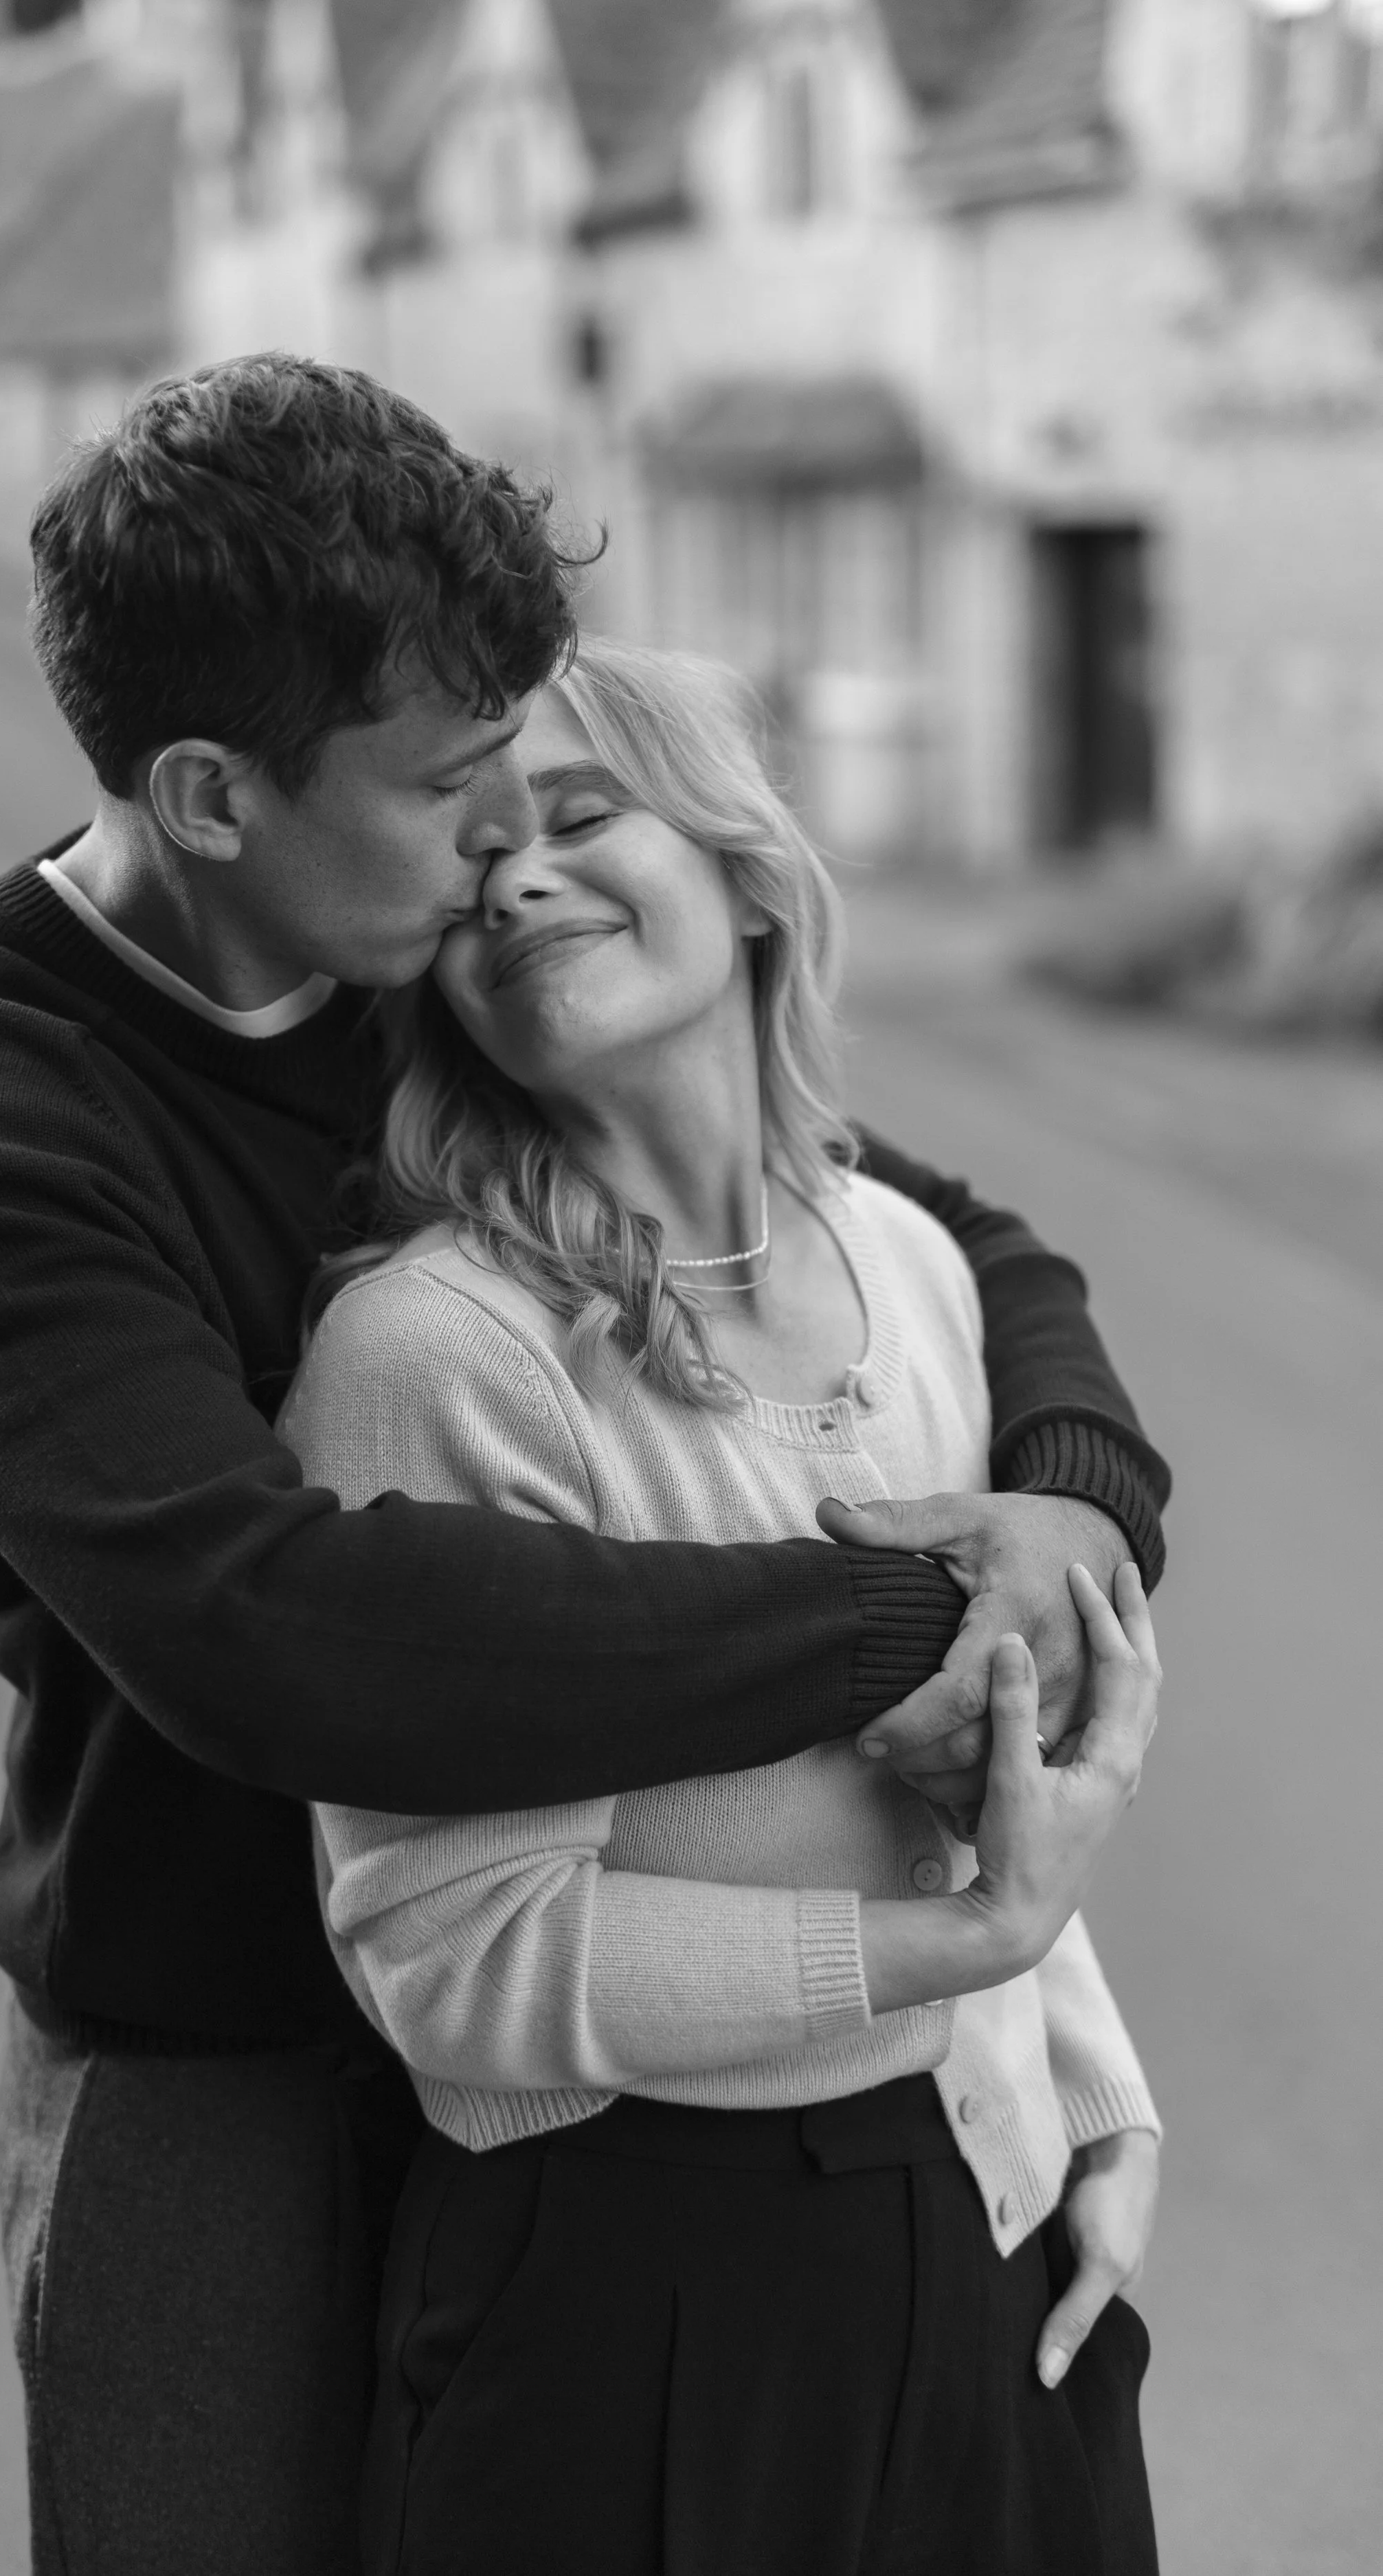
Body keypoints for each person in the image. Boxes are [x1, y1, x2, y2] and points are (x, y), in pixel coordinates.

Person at [0, 357, 1169, 2576]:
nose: (502, 840)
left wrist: (1070, 1524)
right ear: (211, 794)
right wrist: (911, 1609)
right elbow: (275, 1628)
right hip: (234, 2065)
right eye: (452, 783)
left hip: (648, 2118)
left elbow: (915, 1232)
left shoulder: (437, 965)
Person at [287, 637, 1163, 2576]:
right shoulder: (433, 1357)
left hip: (999, 2233)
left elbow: (1009, 1777)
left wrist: (1093, 2099)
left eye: (581, 814)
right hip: (634, 2299)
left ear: (749, 869)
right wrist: (961, 1947)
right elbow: (451, 1967)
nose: (515, 877)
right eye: (471, 859)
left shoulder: (913, 1262)